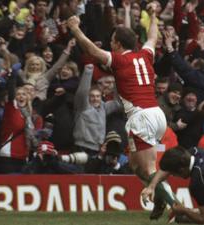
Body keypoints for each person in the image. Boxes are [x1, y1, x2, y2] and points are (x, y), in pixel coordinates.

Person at [67, 2, 177, 219]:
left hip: (141, 116)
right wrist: (153, 14)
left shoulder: (119, 60)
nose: (110, 42)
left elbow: (91, 50)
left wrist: (75, 28)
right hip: (156, 113)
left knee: (148, 170)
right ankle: (162, 201)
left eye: (112, 40)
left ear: (117, 43)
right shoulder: (145, 55)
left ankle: (177, 209)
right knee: (137, 168)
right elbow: (153, 36)